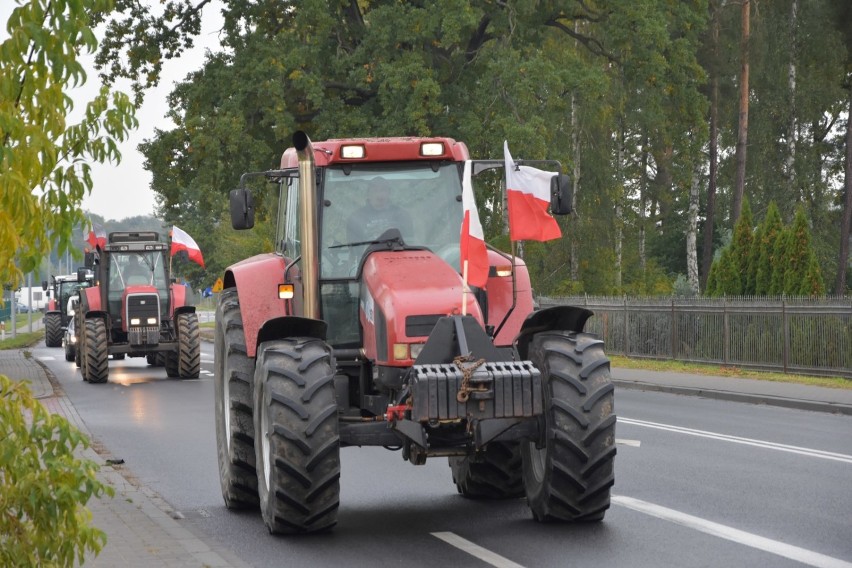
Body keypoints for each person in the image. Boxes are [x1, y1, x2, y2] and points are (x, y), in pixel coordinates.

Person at [346, 177, 414, 243]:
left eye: (383, 190)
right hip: (367, 254)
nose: (379, 194)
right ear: (368, 193)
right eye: (375, 190)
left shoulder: (401, 215)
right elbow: (354, 249)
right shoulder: (356, 218)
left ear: (389, 192)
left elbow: (409, 242)